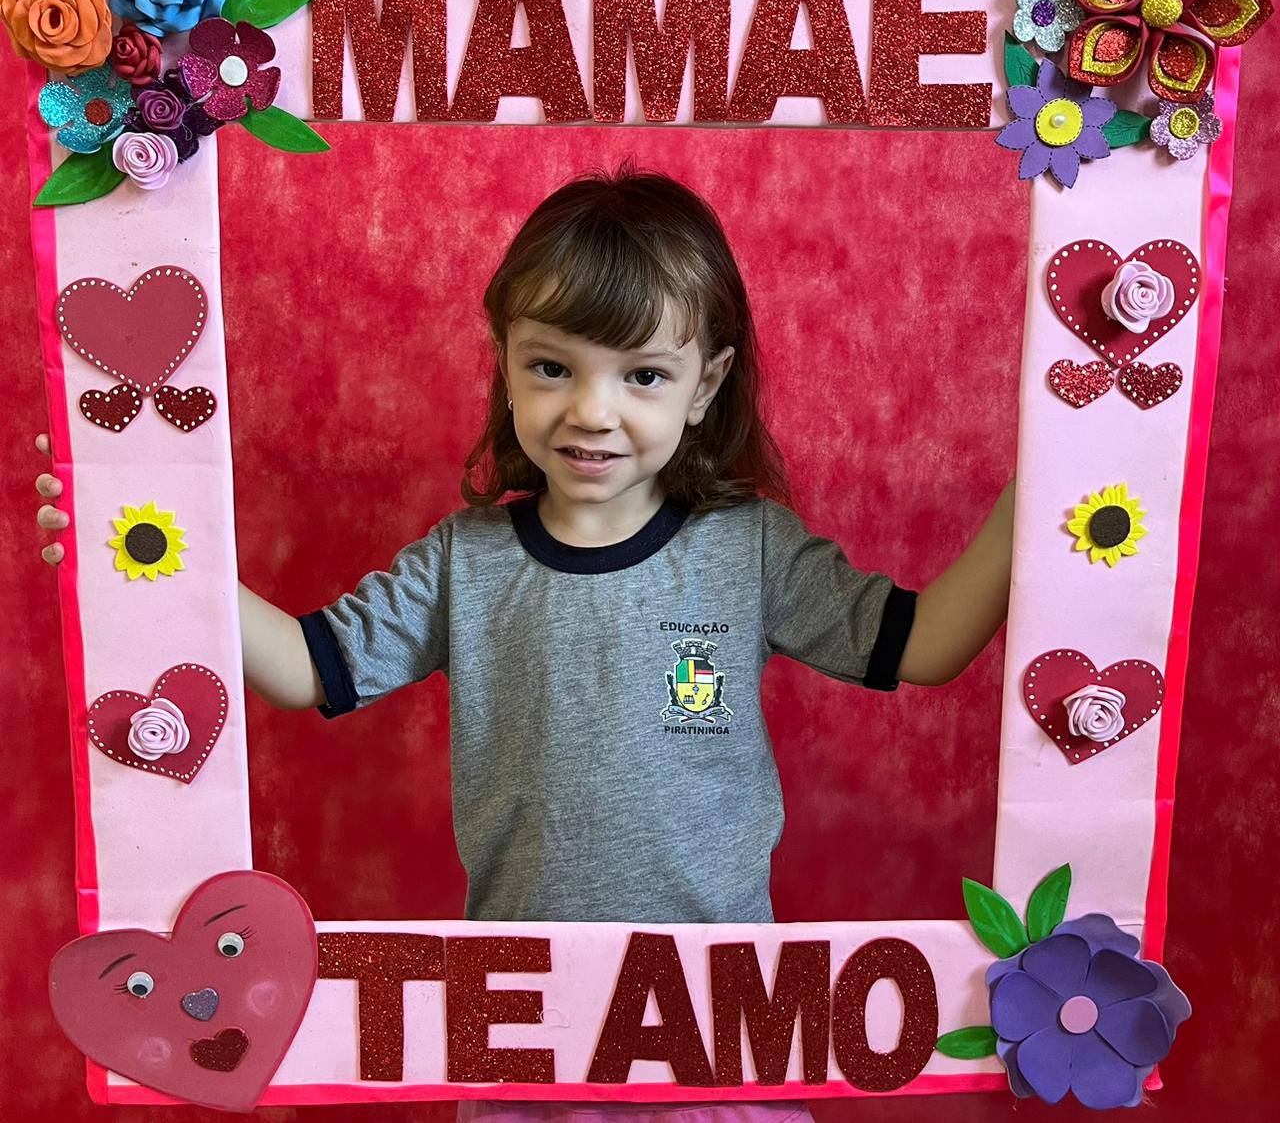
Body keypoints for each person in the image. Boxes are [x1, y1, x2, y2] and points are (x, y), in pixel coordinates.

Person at [35, 160, 1014, 1121]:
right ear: (504, 359)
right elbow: (302, 667)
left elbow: (924, 645)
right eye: (552, 367)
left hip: (717, 1036)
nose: (591, 409)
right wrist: (151, 548)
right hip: (522, 1039)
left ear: (705, 383)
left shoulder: (749, 550)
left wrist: (1040, 499)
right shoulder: (464, 561)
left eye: (642, 375)